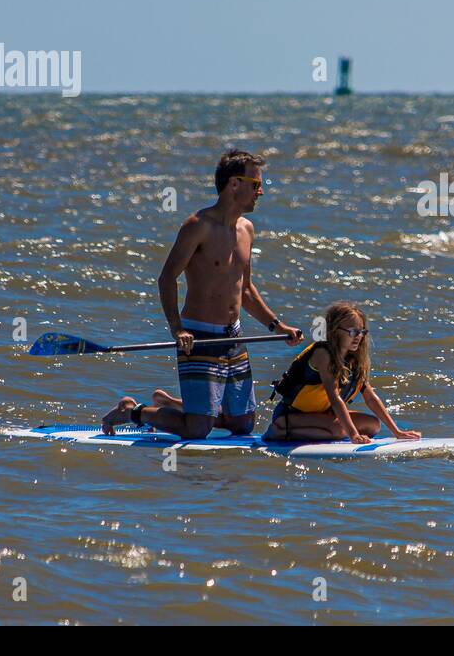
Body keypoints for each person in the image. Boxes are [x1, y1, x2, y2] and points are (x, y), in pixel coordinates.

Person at [101, 149, 302, 438]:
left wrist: (277, 326)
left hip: (235, 337)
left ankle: (172, 406)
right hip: (199, 338)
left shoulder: (247, 229)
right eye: (256, 184)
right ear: (234, 184)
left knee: (242, 425)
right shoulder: (198, 226)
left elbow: (245, 289)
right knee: (198, 430)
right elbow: (167, 277)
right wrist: (177, 329)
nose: (261, 192)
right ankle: (132, 411)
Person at [262, 301, 420, 444]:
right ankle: (280, 430)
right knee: (339, 430)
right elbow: (334, 398)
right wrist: (353, 435)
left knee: (373, 425)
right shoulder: (323, 354)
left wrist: (397, 432)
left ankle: (326, 430)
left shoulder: (353, 359)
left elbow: (370, 398)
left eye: (361, 332)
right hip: (292, 415)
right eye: (353, 332)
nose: (358, 337)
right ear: (334, 331)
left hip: (321, 416)